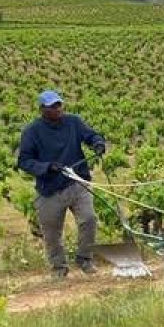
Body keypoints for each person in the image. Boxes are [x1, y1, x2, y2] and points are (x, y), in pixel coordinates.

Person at [16, 90, 106, 279]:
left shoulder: (73, 122)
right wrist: (47, 167)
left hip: (77, 182)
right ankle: (59, 268)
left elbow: (90, 135)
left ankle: (84, 259)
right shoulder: (32, 131)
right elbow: (24, 161)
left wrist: (97, 142)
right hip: (50, 189)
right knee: (51, 232)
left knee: (89, 219)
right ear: (42, 109)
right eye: (52, 106)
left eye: (59, 105)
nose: (58, 109)